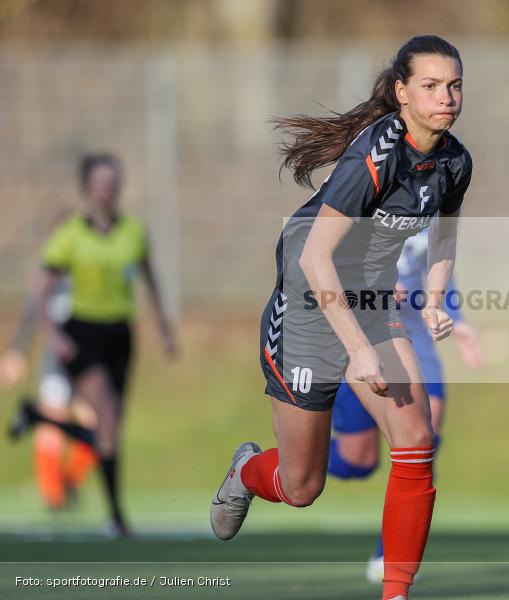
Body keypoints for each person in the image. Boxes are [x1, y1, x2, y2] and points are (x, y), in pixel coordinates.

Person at [210, 36, 472, 600]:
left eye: (453, 85)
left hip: (373, 304)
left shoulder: (454, 161)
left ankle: (395, 593)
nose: (445, 97)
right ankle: (248, 471)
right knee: (302, 486)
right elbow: (312, 256)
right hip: (309, 308)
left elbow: (445, 234)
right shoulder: (378, 152)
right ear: (402, 93)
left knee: (416, 437)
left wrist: (433, 295)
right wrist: (355, 350)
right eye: (429, 86)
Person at [19, 153, 177, 536]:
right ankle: (117, 516)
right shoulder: (70, 233)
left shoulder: (133, 232)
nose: (108, 190)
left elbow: (149, 278)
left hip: (119, 335)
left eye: (114, 183)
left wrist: (163, 327)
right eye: (101, 183)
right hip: (81, 334)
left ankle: (38, 418)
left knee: (110, 429)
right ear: (87, 188)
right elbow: (38, 289)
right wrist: (53, 334)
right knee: (105, 419)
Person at [327, 229, 483, 583]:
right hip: (359, 336)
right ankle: (294, 458)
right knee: (358, 461)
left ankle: (390, 556)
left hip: (414, 336)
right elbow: (319, 262)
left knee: (424, 438)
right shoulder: (360, 186)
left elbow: (438, 260)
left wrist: (455, 320)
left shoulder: (438, 188)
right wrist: (370, 291)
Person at [0, 274, 97, 510]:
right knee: (53, 422)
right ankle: (53, 495)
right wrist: (17, 351)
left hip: (88, 361)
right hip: (56, 362)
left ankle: (69, 482)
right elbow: (33, 308)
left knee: (95, 424)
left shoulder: (95, 274)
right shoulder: (55, 272)